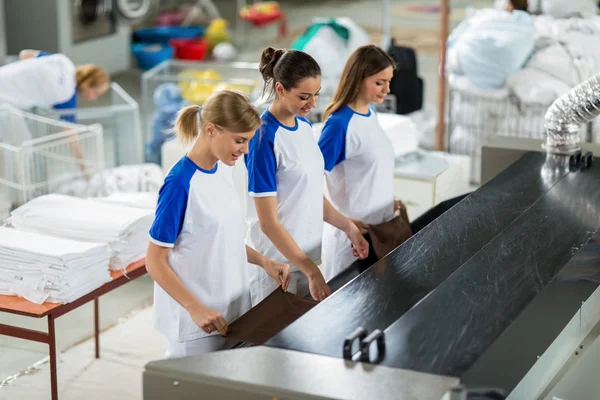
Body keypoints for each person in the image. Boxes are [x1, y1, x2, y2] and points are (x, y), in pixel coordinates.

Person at [146, 90, 291, 358]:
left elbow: (222, 239)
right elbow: (154, 260)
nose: (245, 150)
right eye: (239, 140)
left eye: (248, 141)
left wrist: (265, 262)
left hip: (233, 309)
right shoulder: (179, 184)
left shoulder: (225, 167)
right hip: (197, 324)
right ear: (211, 129)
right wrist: (194, 308)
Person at [245, 47, 369, 305]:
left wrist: (349, 227)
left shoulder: (303, 126)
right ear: (280, 89)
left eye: (316, 95)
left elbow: (310, 195)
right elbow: (268, 223)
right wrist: (310, 270)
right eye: (304, 96)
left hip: (308, 259)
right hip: (278, 268)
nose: (312, 104)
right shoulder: (263, 138)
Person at [318, 44, 401, 281]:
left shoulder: (370, 114)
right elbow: (308, 186)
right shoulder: (339, 125)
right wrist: (346, 224)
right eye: (379, 82)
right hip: (351, 245)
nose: (387, 89)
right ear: (358, 79)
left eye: (389, 81)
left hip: (379, 235)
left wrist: (387, 200)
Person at [18, 49, 110, 123]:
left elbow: (24, 54)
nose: (94, 99)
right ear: (87, 84)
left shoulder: (63, 62)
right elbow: (71, 135)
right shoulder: (68, 99)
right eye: (96, 93)